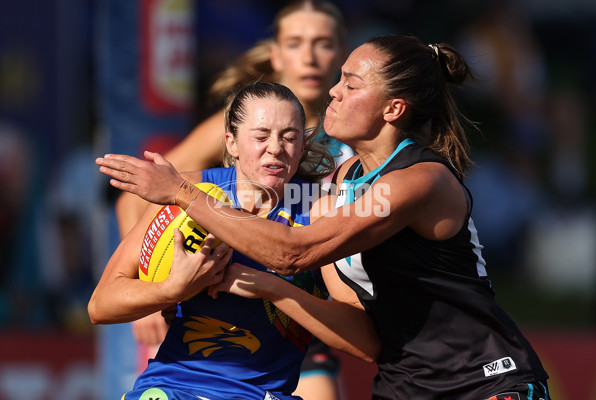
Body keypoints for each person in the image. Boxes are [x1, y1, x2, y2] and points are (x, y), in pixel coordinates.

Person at [97, 33, 552, 400]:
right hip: (404, 384)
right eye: (340, 79)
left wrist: (180, 191)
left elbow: (298, 252)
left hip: (481, 381)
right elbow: (220, 184)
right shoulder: (336, 184)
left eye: (351, 84)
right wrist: (172, 194)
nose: (333, 91)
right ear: (233, 141)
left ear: (393, 109)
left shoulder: (417, 180)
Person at [90, 81, 379, 400]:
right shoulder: (185, 192)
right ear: (231, 143)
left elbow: (365, 343)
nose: (275, 148)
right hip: (172, 387)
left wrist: (273, 288)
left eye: (289, 137)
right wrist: (171, 289)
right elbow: (100, 305)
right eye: (261, 135)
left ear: (301, 146)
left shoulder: (320, 212)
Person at [119, 2, 350, 398]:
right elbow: (142, 196)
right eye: (296, 43)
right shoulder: (239, 120)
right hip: (224, 308)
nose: (310, 57)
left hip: (304, 305)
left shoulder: (351, 124)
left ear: (340, 53)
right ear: (276, 54)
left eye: (323, 43)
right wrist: (154, 279)